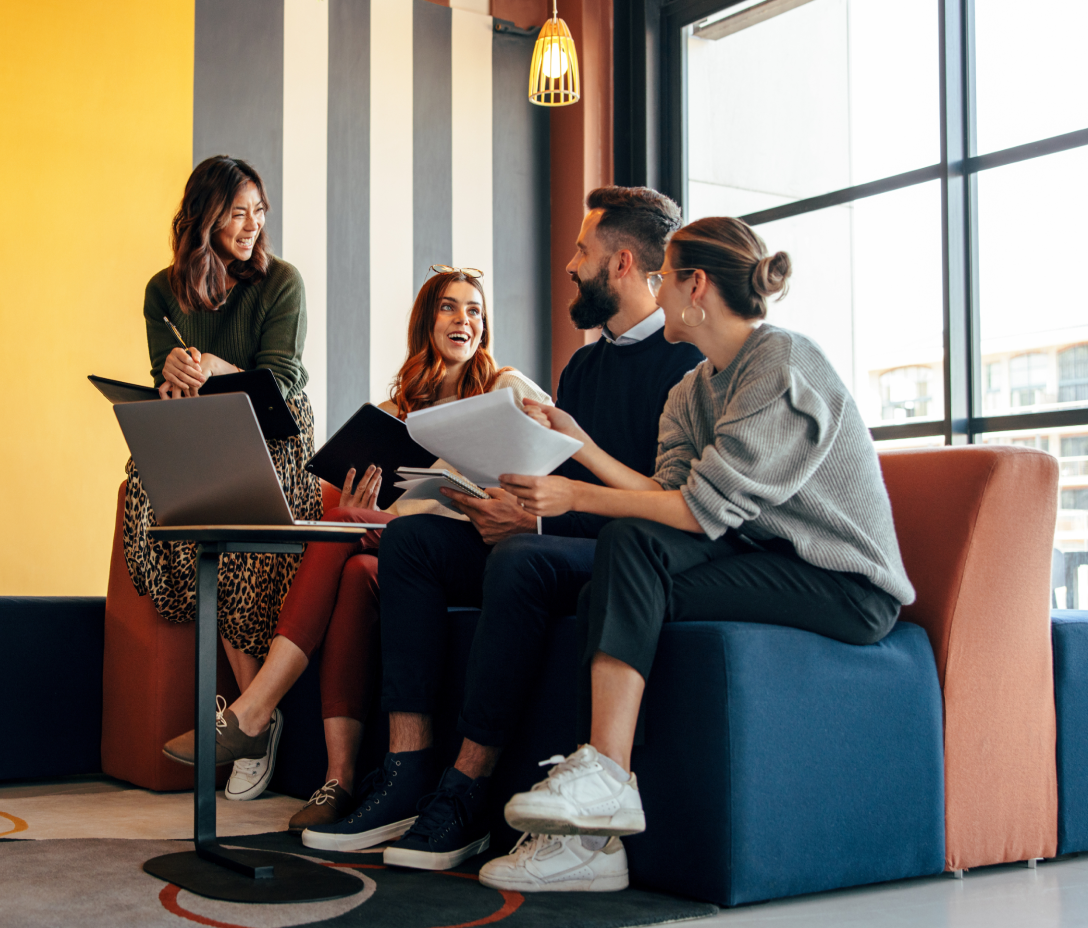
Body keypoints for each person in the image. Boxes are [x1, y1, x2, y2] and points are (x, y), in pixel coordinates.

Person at [482, 216, 916, 893]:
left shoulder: (782, 366)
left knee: (627, 548)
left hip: (843, 584)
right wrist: (581, 448)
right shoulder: (692, 390)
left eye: (665, 278)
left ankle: (604, 781)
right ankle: (592, 844)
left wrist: (575, 495)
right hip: (761, 558)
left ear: (696, 286)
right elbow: (667, 494)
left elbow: (694, 510)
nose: (654, 292)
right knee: (609, 585)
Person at [301, 187, 704, 882]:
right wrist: (504, 502)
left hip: (622, 556)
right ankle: (405, 772)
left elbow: (671, 509)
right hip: (553, 532)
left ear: (622, 263)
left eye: (582, 250)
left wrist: (537, 520)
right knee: (410, 546)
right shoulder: (582, 367)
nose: (570, 264)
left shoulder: (687, 366)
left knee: (520, 559)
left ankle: (466, 793)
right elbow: (549, 471)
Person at [162, 266, 551, 831]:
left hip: (475, 546)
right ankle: (338, 780)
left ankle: (254, 710)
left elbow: (553, 452)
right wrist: (361, 500)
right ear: (427, 321)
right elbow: (396, 510)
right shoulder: (396, 411)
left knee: (341, 522)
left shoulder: (505, 387)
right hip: (403, 552)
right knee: (354, 566)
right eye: (448, 307)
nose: (463, 319)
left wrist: (524, 478)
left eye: (474, 309)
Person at [124, 155, 324, 800]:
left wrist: (215, 365)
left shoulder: (280, 281)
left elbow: (284, 378)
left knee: (238, 548)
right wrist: (175, 376)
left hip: (274, 435)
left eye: (258, 211)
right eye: (238, 212)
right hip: (205, 429)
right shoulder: (163, 289)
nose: (251, 223)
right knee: (152, 490)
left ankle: (248, 718)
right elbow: (165, 370)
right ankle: (252, 719)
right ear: (205, 217)